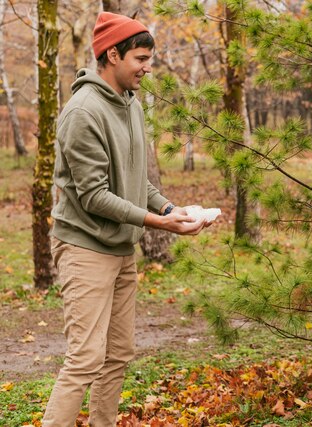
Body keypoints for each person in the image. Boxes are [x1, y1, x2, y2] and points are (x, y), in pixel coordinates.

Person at [42, 12, 211, 426]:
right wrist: (159, 225)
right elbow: (96, 196)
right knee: (85, 359)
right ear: (112, 54)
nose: (148, 67)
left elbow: (136, 182)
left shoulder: (131, 106)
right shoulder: (83, 112)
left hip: (120, 249)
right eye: (140, 58)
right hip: (85, 248)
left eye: (149, 58)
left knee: (117, 355)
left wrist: (171, 209)